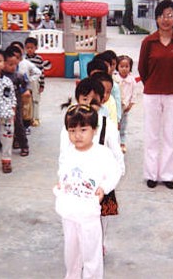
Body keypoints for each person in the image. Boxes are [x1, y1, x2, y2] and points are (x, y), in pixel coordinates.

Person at [54, 104, 120, 278]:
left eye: (83, 129)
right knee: (71, 251)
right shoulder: (69, 152)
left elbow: (115, 172)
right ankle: (72, 275)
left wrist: (104, 188)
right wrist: (61, 182)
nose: (77, 135)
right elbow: (63, 169)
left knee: (92, 253)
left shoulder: (102, 153)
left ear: (94, 130)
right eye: (72, 130)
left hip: (89, 213)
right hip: (69, 212)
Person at [138, 0, 173, 189]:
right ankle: (151, 174)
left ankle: (167, 175)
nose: (165, 19)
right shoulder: (148, 42)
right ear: (156, 18)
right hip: (151, 94)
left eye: (169, 15)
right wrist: (152, 84)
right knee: (152, 135)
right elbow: (142, 68)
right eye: (161, 15)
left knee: (169, 135)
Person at [2, 47, 30, 157]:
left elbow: (25, 86)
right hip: (2, 105)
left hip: (15, 106)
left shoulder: (18, 76)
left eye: (15, 64)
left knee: (18, 125)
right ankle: (1, 144)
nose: (13, 67)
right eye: (10, 64)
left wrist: (25, 92)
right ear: (3, 63)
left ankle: (24, 146)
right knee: (2, 126)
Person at [114, 55, 137, 153]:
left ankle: (122, 143)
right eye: (121, 66)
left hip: (125, 107)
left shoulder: (131, 80)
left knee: (123, 126)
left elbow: (134, 93)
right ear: (117, 67)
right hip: (115, 107)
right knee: (115, 125)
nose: (124, 69)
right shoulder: (114, 78)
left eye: (126, 66)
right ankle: (114, 142)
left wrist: (130, 105)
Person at [22, 38, 45, 128]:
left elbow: (42, 72)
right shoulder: (24, 59)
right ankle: (28, 118)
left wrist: (42, 85)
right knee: (27, 101)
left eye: (32, 47)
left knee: (36, 100)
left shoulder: (39, 59)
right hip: (26, 82)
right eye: (27, 48)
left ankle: (36, 118)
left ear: (36, 48)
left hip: (36, 83)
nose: (30, 50)